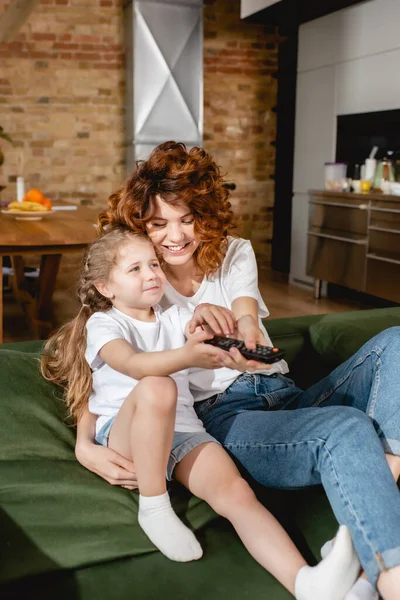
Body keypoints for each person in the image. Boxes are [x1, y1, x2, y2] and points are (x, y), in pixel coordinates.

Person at [76, 142, 400, 600]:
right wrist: (84, 445)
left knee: (396, 343)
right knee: (346, 428)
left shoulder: (232, 253)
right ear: (140, 227)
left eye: (188, 218)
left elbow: (247, 313)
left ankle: (382, 485)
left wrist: (244, 331)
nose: (175, 236)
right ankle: (387, 577)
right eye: (159, 224)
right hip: (224, 416)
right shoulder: (137, 281)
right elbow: (105, 371)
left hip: (283, 394)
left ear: (206, 213)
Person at [41, 228, 360, 600]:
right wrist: (187, 356)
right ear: (105, 288)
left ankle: (307, 583)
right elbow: (134, 363)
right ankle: (154, 505)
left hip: (185, 431)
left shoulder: (175, 316)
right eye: (135, 269)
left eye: (154, 264)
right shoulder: (105, 324)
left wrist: (224, 337)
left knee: (237, 494)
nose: (152, 274)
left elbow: (201, 335)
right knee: (158, 385)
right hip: (129, 435)